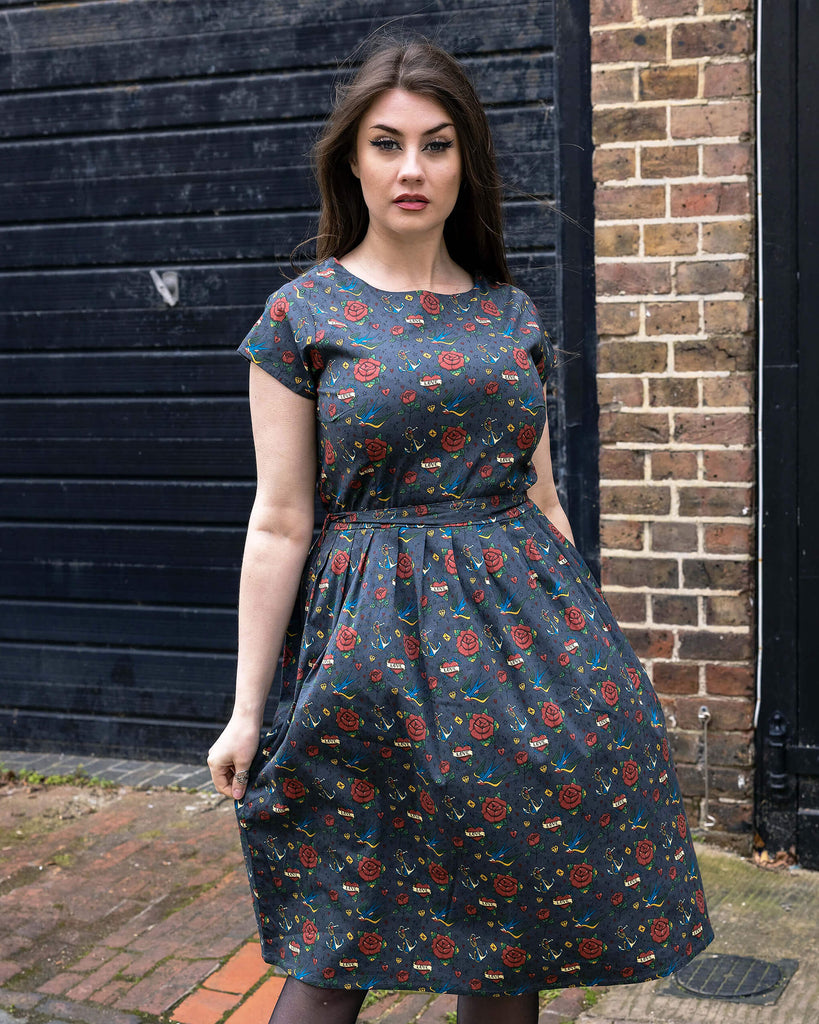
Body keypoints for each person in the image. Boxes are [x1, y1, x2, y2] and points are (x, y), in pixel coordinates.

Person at [207, 37, 713, 1024]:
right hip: (363, 661)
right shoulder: (301, 316)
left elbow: (545, 498)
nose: (411, 169)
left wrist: (592, 657)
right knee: (335, 931)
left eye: (436, 146)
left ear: (463, 161)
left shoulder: (509, 315)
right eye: (387, 144)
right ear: (351, 160)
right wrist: (246, 708)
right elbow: (279, 521)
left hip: (518, 658)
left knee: (506, 933)